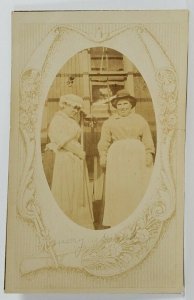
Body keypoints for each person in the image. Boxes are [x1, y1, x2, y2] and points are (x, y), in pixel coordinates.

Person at [98, 89, 155, 227]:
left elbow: (147, 139)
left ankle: (138, 220)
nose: (122, 107)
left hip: (137, 156)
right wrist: (103, 156)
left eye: (125, 104)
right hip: (118, 157)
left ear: (131, 105)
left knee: (136, 186)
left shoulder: (140, 120)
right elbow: (104, 141)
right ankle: (119, 220)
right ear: (116, 106)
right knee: (120, 187)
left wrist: (149, 153)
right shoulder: (110, 122)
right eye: (119, 105)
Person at [46, 94, 93, 229]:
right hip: (65, 158)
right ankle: (66, 221)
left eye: (78, 109)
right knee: (67, 189)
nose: (76, 111)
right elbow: (61, 140)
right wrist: (78, 151)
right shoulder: (58, 120)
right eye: (74, 107)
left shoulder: (71, 120)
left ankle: (78, 220)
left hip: (75, 158)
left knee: (76, 190)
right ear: (64, 105)